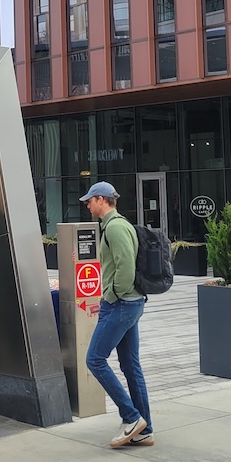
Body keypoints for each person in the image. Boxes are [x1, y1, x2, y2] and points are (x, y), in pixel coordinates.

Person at [80, 181, 153, 447]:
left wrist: (111, 295)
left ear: (101, 200)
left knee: (95, 360)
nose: (88, 205)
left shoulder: (115, 227)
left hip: (121, 304)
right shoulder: (118, 225)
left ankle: (131, 417)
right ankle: (144, 430)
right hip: (130, 303)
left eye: (90, 201)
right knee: (130, 366)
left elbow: (125, 269)